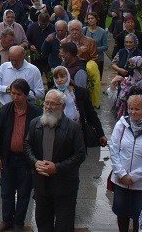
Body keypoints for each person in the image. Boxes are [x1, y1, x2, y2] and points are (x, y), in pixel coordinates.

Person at [24, 89, 86, 232]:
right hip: (41, 184)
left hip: (65, 186)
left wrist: (57, 167)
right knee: (43, 222)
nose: (48, 107)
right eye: (46, 103)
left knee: (64, 225)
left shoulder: (73, 127)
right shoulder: (35, 124)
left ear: (62, 106)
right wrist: (35, 162)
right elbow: (27, 145)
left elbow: (80, 155)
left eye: (53, 104)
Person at [0, 78, 40, 232]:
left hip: (26, 160)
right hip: (8, 157)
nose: (14, 97)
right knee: (6, 191)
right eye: (12, 93)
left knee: (24, 192)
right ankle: (7, 220)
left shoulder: (36, 113)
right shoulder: (5, 110)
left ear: (26, 95)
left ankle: (19, 222)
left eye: (18, 94)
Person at [109, 95, 142, 232]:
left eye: (137, 109)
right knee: (121, 212)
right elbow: (114, 149)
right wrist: (122, 174)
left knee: (139, 215)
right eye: (130, 108)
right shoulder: (122, 124)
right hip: (121, 180)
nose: (133, 112)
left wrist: (133, 177)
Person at [51, 66, 105, 149]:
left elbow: (91, 114)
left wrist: (101, 134)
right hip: (58, 134)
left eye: (62, 76)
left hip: (78, 132)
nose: (59, 80)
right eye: (56, 77)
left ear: (68, 76)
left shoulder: (80, 92)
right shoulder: (51, 93)